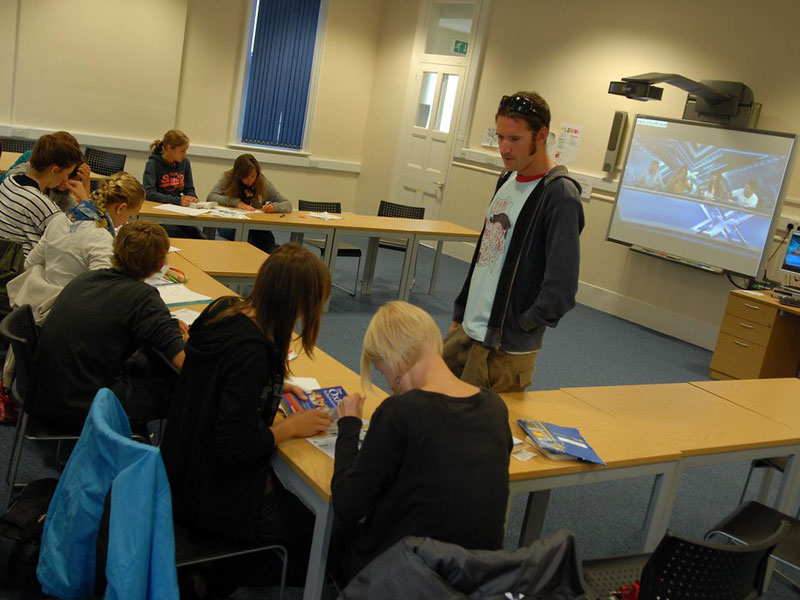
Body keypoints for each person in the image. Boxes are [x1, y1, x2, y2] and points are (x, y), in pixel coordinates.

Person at [160, 243, 333, 596]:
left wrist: (271, 384)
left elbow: (214, 377)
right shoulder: (251, 354)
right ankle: (219, 575)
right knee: (320, 528)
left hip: (178, 471)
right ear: (297, 303)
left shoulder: (224, 311)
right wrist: (288, 429)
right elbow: (233, 446)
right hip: (212, 495)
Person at [331, 301, 513, 584]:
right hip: (476, 574)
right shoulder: (495, 406)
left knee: (336, 538)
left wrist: (349, 426)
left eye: (382, 371)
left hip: (406, 574)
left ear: (393, 357)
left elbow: (347, 504)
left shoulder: (399, 413)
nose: (390, 384)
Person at [442, 91, 584, 393]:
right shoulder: (506, 179)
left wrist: (524, 324)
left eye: (515, 139)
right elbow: (485, 255)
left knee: (471, 433)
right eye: (500, 137)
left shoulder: (559, 195)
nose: (504, 148)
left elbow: (562, 288)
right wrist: (461, 311)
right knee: (427, 403)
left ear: (541, 135)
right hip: (468, 330)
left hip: (503, 349)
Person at [30, 220, 187, 432]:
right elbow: (184, 364)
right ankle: (164, 461)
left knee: (146, 362)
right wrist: (184, 341)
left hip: (44, 394)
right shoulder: (144, 298)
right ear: (161, 265)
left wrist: (162, 327)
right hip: (85, 405)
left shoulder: (85, 279)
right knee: (181, 387)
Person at [8, 172, 145, 323]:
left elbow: (29, 265)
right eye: (130, 216)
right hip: (67, 320)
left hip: (39, 311)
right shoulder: (101, 239)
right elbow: (103, 297)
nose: (126, 222)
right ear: (121, 208)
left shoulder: (60, 219)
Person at [0, 131, 84, 256]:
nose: (66, 179)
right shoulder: (43, 205)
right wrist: (85, 200)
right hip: (24, 270)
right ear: (55, 170)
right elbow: (78, 239)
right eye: (67, 173)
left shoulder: (9, 181)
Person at [207, 153, 292, 252]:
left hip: (255, 225)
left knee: (268, 241)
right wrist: (236, 202)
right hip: (231, 224)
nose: (250, 180)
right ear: (238, 174)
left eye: (253, 175)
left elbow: (287, 204)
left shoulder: (263, 182)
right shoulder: (229, 178)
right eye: (245, 176)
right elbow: (211, 196)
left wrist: (274, 207)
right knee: (249, 242)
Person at [142, 129, 204, 239]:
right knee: (181, 236)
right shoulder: (153, 164)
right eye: (182, 151)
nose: (185, 154)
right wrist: (177, 200)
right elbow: (148, 193)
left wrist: (192, 198)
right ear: (169, 148)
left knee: (200, 237)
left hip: (178, 213)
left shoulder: (185, 163)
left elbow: (189, 188)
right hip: (158, 215)